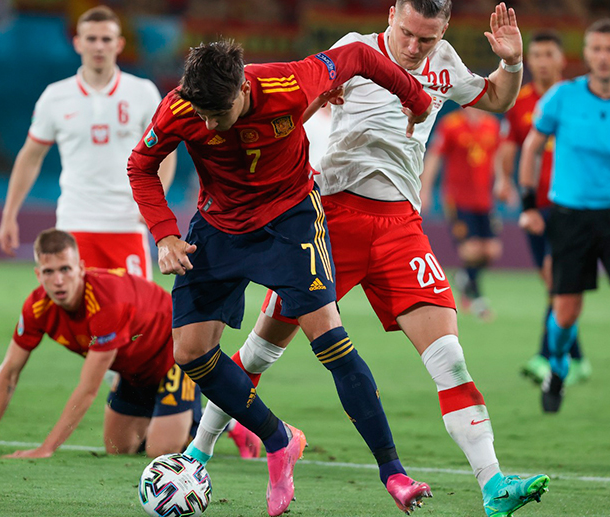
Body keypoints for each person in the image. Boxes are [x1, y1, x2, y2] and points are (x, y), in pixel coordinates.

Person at [185, 2, 550, 516]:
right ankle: (197, 453)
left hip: (401, 227)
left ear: (443, 30)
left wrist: (511, 65)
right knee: (264, 349)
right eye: (407, 33)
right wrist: (315, 113)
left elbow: (495, 99)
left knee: (450, 357)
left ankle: (493, 485)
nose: (414, 47)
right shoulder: (351, 52)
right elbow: (290, 112)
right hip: (329, 220)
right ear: (392, 14)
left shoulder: (444, 61)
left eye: (427, 38)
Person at [127, 37, 436, 516]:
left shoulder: (288, 81)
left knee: (330, 341)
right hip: (218, 226)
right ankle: (279, 439)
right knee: (188, 352)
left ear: (243, 90)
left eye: (217, 114)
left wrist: (413, 96)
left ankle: (393, 471)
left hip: (289, 222)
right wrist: (165, 235)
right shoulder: (180, 108)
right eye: (201, 114)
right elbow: (141, 165)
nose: (207, 125)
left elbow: (355, 57)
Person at [518, 19, 610, 420]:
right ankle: (559, 366)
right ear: (585, 54)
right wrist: (529, 204)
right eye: (596, 49)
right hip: (570, 217)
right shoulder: (561, 99)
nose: (603, 57)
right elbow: (531, 148)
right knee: (565, 311)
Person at [0, 229, 200, 458]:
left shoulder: (105, 303)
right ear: (38, 274)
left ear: (81, 268)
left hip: (175, 355)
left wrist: (46, 448)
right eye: (49, 272)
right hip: (133, 369)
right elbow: (9, 372)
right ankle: (167, 415)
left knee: (159, 452)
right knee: (118, 448)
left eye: (65, 269)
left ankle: (208, 421)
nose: (58, 281)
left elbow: (89, 388)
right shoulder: (37, 307)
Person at [0, 6, 176, 279]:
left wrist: (151, 206)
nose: (99, 46)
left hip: (127, 223)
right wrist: (9, 215)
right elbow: (30, 157)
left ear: (119, 44)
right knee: (78, 313)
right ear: (77, 42)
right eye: (91, 39)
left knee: (133, 314)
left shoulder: (142, 92)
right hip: (75, 222)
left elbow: (166, 153)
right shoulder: (55, 96)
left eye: (106, 39)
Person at [494, 30, 592, 385]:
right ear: (530, 60)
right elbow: (508, 147)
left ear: (561, 59)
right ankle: (577, 357)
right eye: (536, 55)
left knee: (556, 278)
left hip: (572, 204)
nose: (542, 61)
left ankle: (546, 356)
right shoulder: (520, 102)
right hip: (535, 206)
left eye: (549, 54)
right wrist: (503, 181)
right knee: (553, 284)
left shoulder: (579, 99)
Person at [421, 106, 503, 321]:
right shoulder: (451, 124)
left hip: (484, 200)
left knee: (492, 250)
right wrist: (425, 189)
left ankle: (464, 277)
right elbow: (434, 156)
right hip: (457, 200)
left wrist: (503, 182)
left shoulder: (492, 124)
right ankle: (476, 297)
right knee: (472, 249)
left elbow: (497, 157)